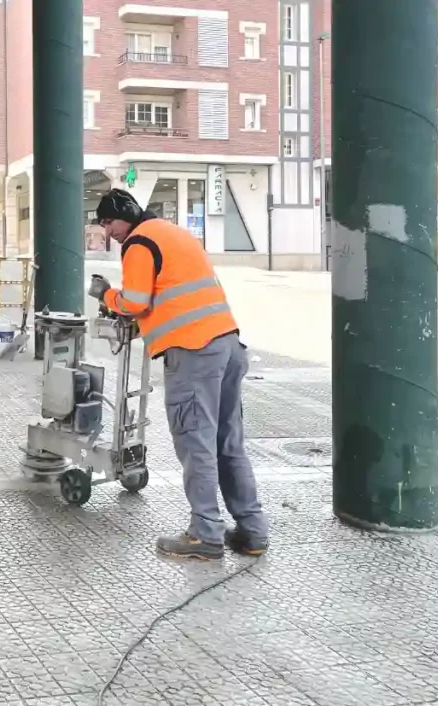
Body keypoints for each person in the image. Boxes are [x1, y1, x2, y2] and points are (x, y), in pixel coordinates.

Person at [88, 188, 269, 560]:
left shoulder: (139, 242)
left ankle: (205, 535)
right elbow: (172, 294)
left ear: (127, 214)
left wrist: (107, 295)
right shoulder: (173, 233)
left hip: (193, 353)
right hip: (228, 346)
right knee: (228, 444)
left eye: (109, 222)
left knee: (196, 445)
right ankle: (252, 532)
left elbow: (135, 301)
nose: (109, 232)